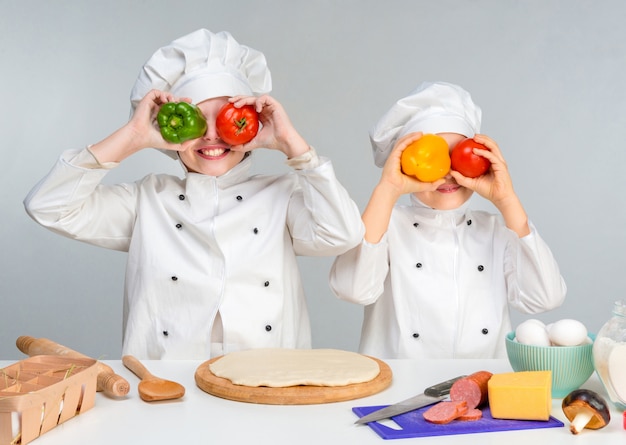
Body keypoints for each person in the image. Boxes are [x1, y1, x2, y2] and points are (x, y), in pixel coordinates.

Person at [24, 29, 364, 360]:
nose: (212, 137)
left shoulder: (283, 194)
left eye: (230, 119)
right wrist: (132, 136)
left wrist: (295, 147)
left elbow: (342, 233)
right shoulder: (147, 200)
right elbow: (48, 207)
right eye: (197, 121)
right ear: (172, 126)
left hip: (267, 384)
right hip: (166, 387)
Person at [329, 81, 566, 359]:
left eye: (459, 155)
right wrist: (387, 190)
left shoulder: (497, 229)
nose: (450, 173)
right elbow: (353, 289)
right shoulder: (386, 225)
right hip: (399, 388)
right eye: (434, 156)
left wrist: (507, 200)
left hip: (482, 388)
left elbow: (545, 297)